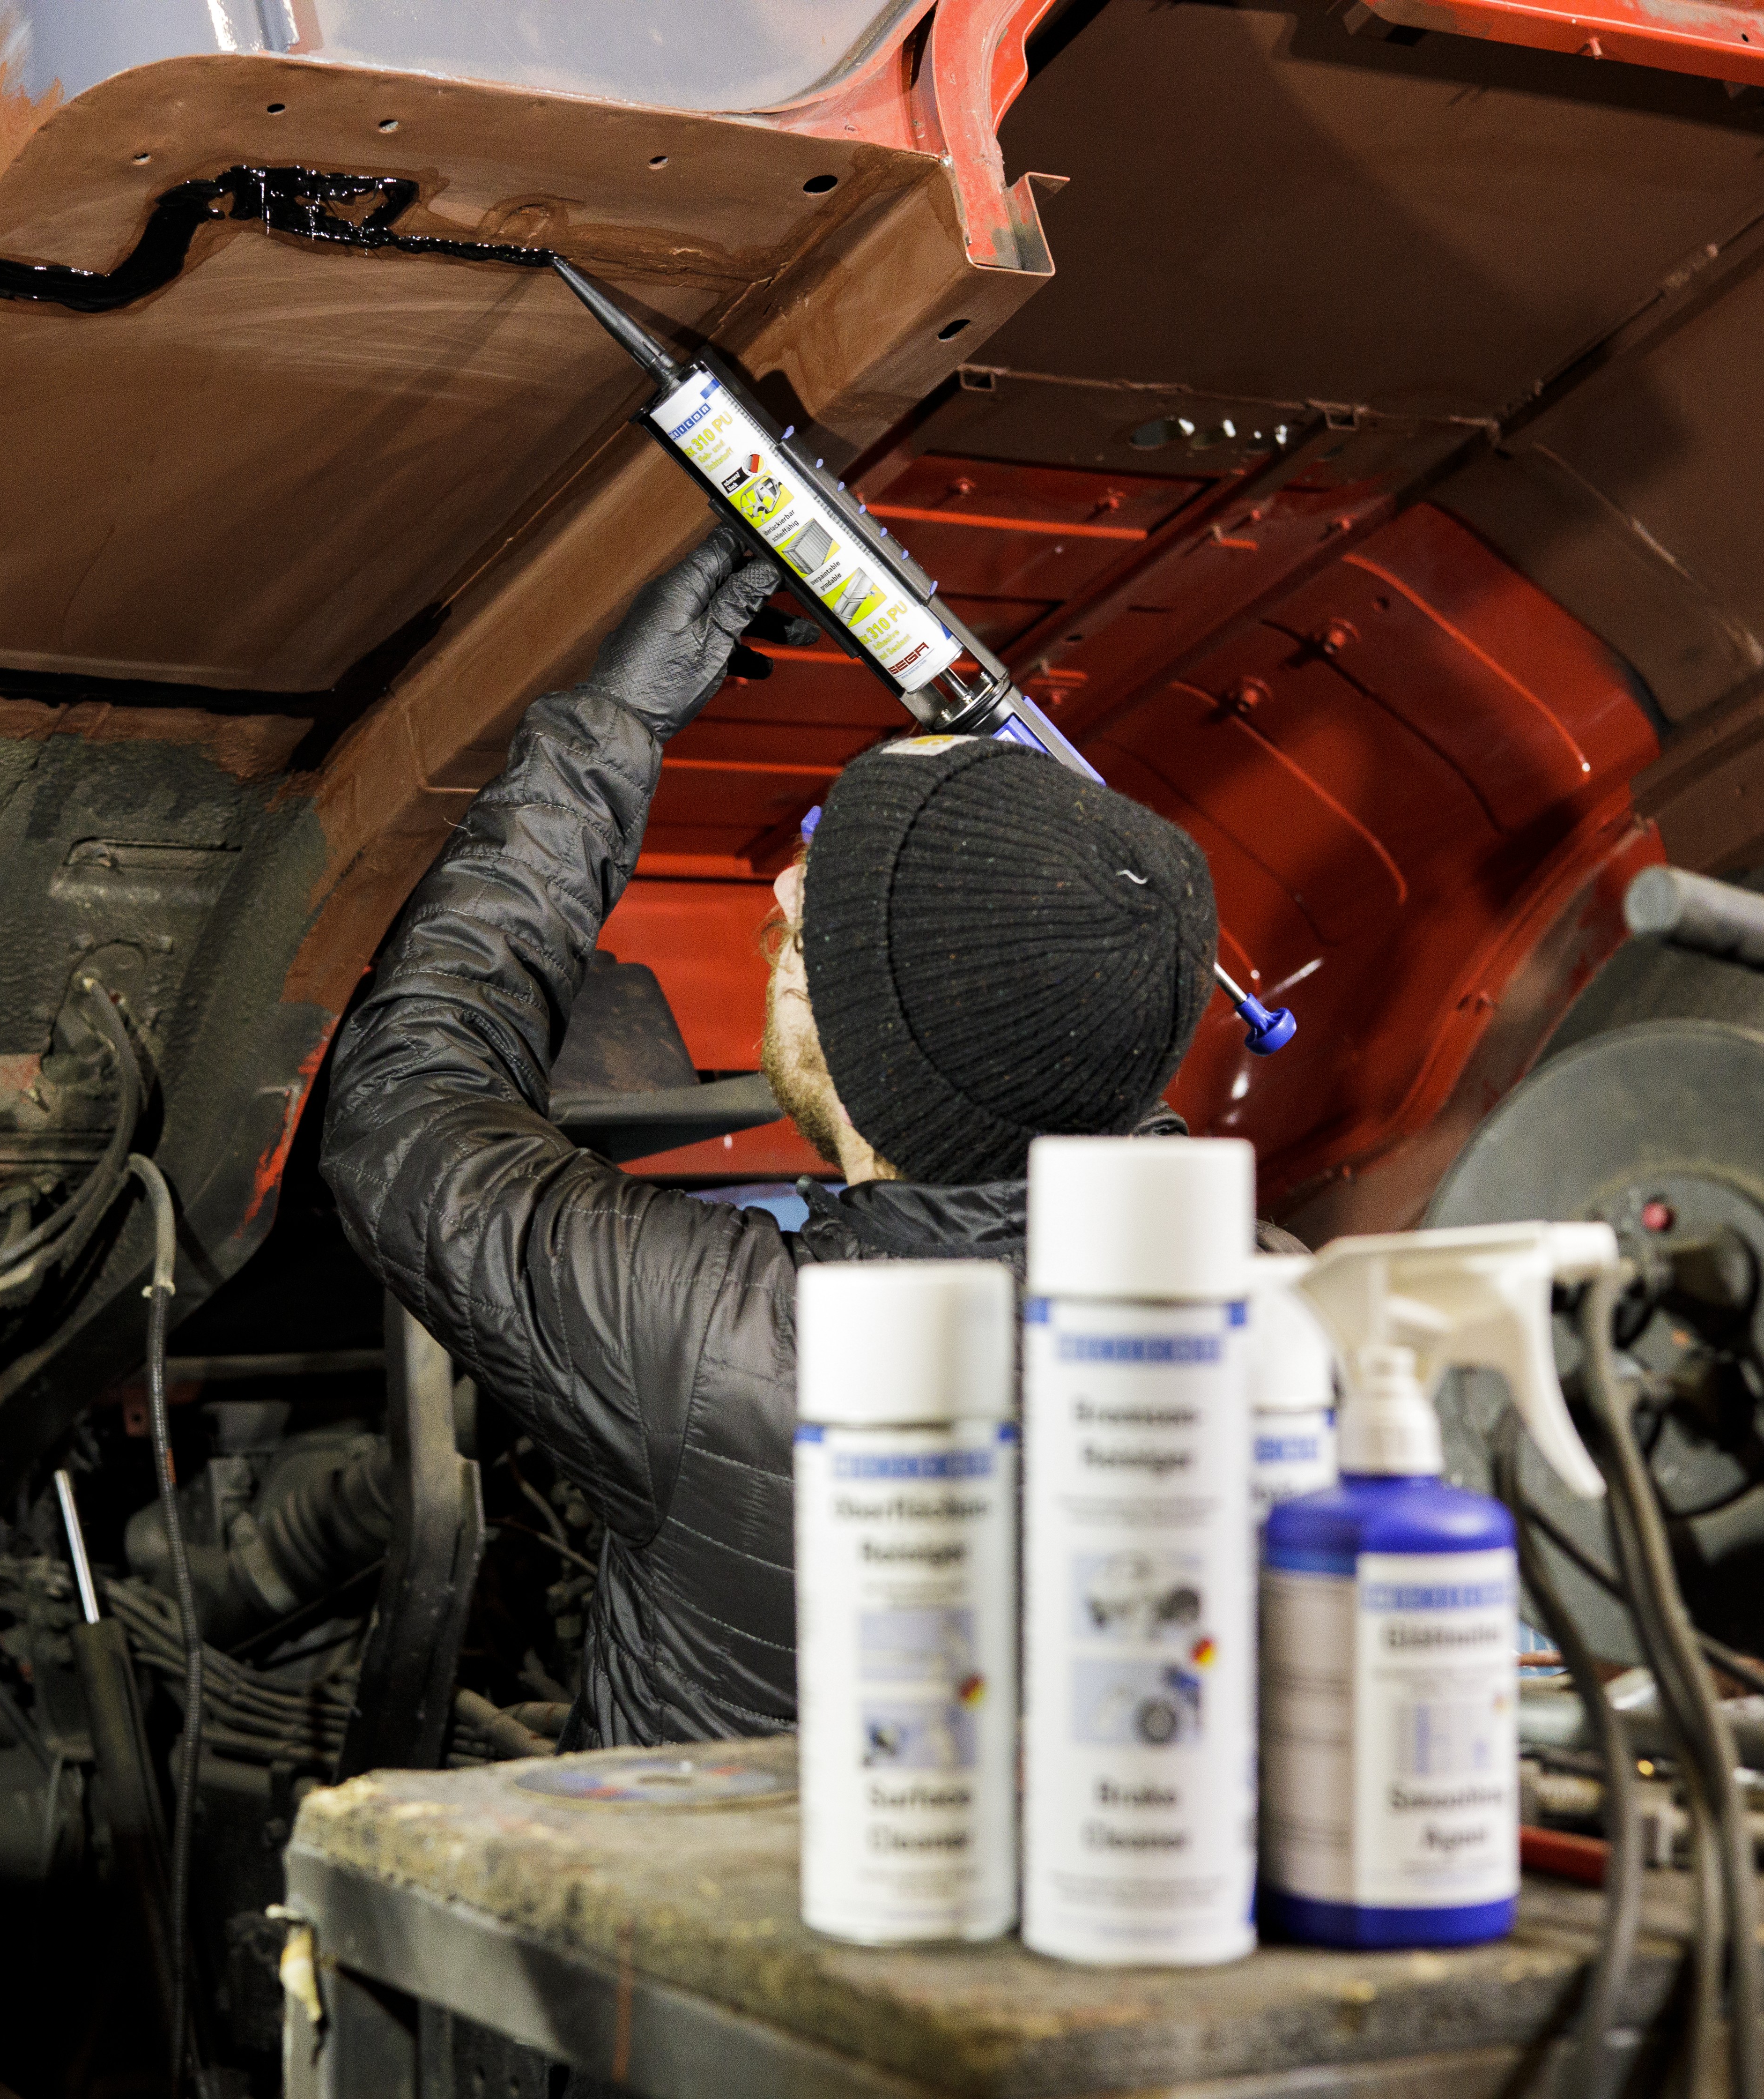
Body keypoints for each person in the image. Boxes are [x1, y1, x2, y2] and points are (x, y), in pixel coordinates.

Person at [319, 532, 1220, 1749]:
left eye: (819, 914)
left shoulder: (733, 1352)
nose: (787, 896)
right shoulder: (1253, 1316)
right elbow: (1080, 1025)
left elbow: (406, 1105)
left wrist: (615, 721)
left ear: (863, 1049)